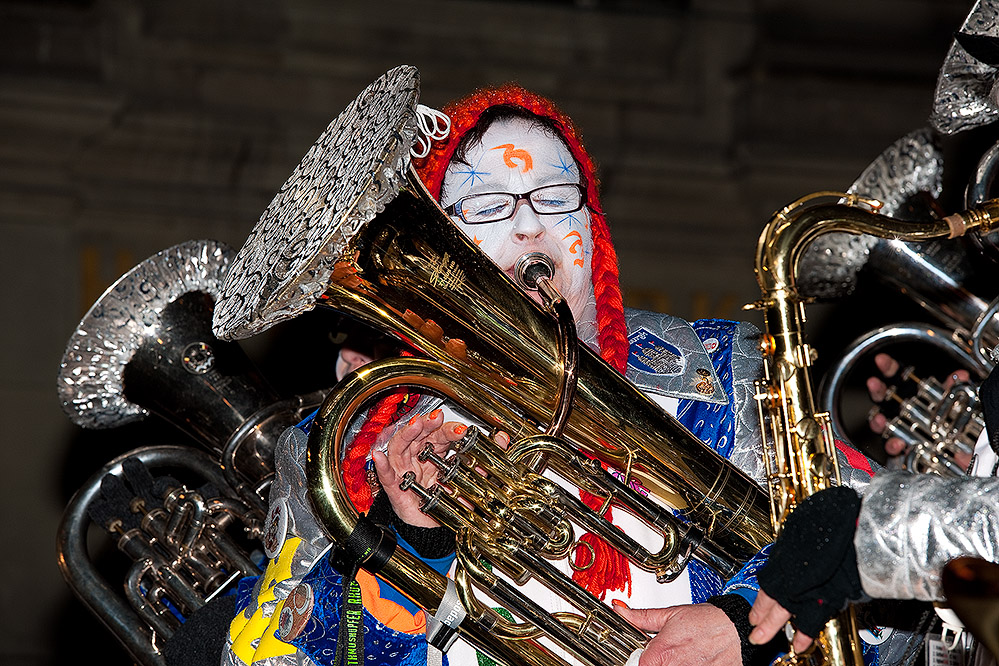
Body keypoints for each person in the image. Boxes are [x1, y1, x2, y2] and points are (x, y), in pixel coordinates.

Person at [221, 84, 893, 666]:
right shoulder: (349, 443)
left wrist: (742, 621)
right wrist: (409, 550)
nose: (528, 226)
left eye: (554, 195)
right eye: (484, 206)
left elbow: (883, 538)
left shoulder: (717, 367)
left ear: (591, 224)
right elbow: (258, 653)